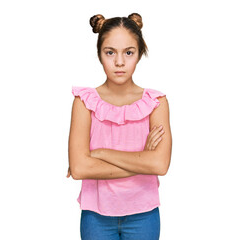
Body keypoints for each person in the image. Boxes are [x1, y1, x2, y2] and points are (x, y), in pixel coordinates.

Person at [67, 13, 172, 240]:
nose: (120, 62)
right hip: (96, 216)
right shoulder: (84, 103)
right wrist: (142, 161)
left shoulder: (156, 104)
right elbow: (79, 169)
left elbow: (160, 165)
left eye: (129, 52)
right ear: (99, 54)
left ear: (139, 53)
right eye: (110, 52)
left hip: (144, 215)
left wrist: (99, 154)